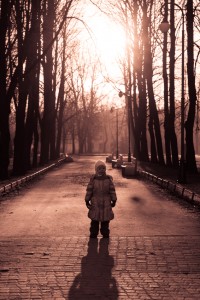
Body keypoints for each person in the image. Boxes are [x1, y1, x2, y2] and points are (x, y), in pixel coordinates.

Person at [85, 160, 117, 238]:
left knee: (105, 221)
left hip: (106, 203)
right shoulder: (93, 180)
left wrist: (114, 199)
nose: (102, 170)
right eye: (100, 168)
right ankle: (93, 233)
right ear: (96, 170)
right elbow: (89, 190)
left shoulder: (108, 180)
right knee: (94, 220)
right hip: (95, 203)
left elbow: (112, 190)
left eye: (103, 168)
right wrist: (87, 200)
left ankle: (105, 233)